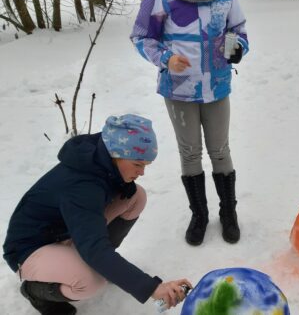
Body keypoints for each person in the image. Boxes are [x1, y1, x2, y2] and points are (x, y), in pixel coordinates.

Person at [3, 114, 191, 315]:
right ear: (116, 155)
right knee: (91, 282)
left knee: (136, 197)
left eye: (145, 165)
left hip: (65, 230)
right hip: (30, 248)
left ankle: (104, 264)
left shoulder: (102, 158)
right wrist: (152, 288)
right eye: (138, 164)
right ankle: (34, 291)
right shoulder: (83, 187)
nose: (142, 172)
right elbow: (94, 248)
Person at [130, 0, 249, 246]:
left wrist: (238, 46)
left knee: (220, 150)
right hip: (179, 89)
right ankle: (200, 215)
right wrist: (166, 58)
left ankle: (228, 213)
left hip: (216, 85)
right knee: (190, 152)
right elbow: (141, 36)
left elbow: (238, 30)